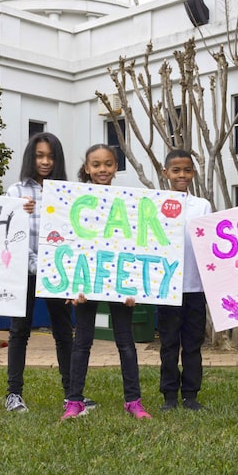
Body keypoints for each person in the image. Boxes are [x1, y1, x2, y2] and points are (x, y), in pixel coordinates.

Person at [61, 144, 151, 420]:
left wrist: (134, 286)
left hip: (121, 281)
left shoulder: (129, 201)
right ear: (87, 168)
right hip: (85, 281)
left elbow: (137, 243)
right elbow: (68, 239)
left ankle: (133, 400)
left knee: (126, 341)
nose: (103, 169)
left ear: (116, 167)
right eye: (96, 164)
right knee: (82, 342)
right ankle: (74, 401)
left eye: (108, 164)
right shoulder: (74, 199)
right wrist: (69, 286)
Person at [3, 132, 80, 413]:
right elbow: (8, 234)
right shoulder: (15, 192)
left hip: (58, 273)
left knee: (63, 331)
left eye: (50, 156)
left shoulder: (67, 193)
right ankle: (14, 393)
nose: (45, 161)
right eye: (39, 156)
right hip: (24, 272)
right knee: (19, 331)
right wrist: (18, 213)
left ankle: (72, 393)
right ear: (30, 157)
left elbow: (74, 233)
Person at [156, 149, 211, 411]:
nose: (182, 175)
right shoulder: (154, 205)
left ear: (193, 172)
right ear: (165, 172)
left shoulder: (202, 205)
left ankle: (190, 394)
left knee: (192, 344)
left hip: (195, 287)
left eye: (187, 170)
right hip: (166, 288)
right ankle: (169, 395)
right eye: (176, 170)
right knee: (168, 344)